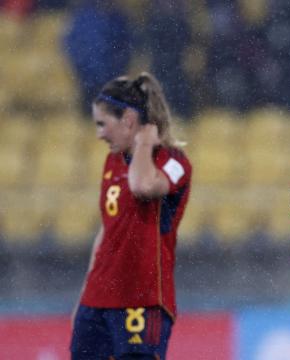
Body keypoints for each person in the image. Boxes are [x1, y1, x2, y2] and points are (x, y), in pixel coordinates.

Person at [70, 72, 192, 359]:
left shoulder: (173, 160)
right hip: (98, 299)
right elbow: (107, 229)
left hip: (143, 297)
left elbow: (142, 186)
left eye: (103, 124)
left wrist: (145, 144)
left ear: (128, 119)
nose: (99, 133)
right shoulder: (112, 161)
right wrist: (87, 292)